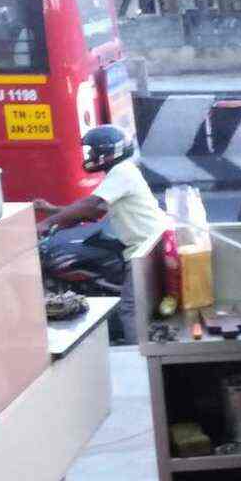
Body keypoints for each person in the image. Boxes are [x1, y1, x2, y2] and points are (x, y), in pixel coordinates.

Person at [34, 125, 169, 342]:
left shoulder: (121, 172)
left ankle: (139, 356)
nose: (90, 156)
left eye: (94, 151)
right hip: (151, 242)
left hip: (145, 248)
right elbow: (95, 211)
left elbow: (91, 205)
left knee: (131, 308)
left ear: (109, 152)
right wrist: (51, 211)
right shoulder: (121, 172)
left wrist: (47, 223)